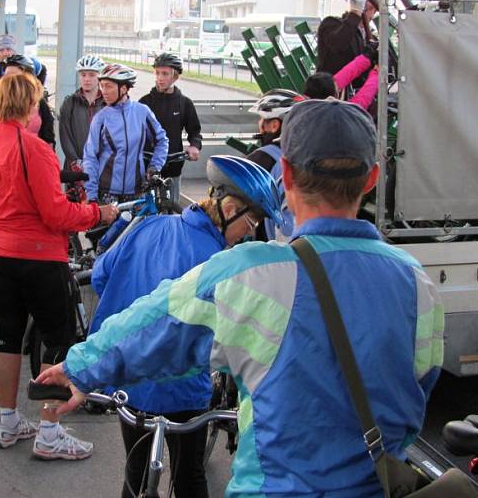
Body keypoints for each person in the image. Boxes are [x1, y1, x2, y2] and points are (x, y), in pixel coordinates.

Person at [38, 98, 444, 497]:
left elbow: (158, 323)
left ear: (285, 174)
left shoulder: (254, 272)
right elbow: (417, 392)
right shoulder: (417, 283)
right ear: (371, 179)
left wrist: (79, 368)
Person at [90, 155, 282, 498]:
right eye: (252, 221)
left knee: (135, 473)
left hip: (128, 380)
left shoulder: (150, 225)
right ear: (228, 207)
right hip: (180, 388)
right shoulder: (218, 263)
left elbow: (102, 276)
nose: (251, 232)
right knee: (189, 477)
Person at [0, 65, 119, 461]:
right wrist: (96, 215)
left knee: (8, 334)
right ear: (31, 105)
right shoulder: (34, 148)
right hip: (36, 256)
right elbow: (56, 215)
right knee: (58, 339)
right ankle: (50, 432)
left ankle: (8, 421)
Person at [82, 64, 168, 202]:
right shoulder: (100, 118)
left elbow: (162, 140)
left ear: (123, 88)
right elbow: (90, 157)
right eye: (102, 86)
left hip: (137, 190)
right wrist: (91, 194)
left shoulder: (142, 112)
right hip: (107, 192)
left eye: (108, 86)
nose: (103, 91)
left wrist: (154, 166)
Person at [139, 53, 201, 204]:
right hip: (148, 164)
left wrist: (194, 146)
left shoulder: (184, 103)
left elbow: (195, 131)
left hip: (173, 163)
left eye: (165, 73)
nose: (160, 77)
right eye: (157, 73)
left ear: (175, 77)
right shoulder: (144, 102)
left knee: (172, 205)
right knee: (147, 208)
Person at [246, 88, 304, 240]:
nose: (259, 124)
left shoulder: (262, 158)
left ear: (273, 126)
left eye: (261, 119)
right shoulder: (307, 156)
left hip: (271, 246)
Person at [316, 0, 378, 86]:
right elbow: (338, 44)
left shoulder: (372, 38)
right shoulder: (331, 23)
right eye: (363, 7)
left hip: (357, 94)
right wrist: (355, 13)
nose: (364, 11)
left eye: (369, 8)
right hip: (329, 92)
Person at [58, 54, 106, 169]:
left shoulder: (107, 104)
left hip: (102, 167)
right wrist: (75, 161)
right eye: (83, 75)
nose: (87, 79)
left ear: (100, 76)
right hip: (75, 166)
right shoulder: (70, 103)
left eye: (92, 75)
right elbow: (65, 136)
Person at [303, 41, 380, 110]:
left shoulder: (305, 105)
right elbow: (358, 104)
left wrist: (365, 58)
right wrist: (376, 74)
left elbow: (339, 80)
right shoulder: (334, 115)